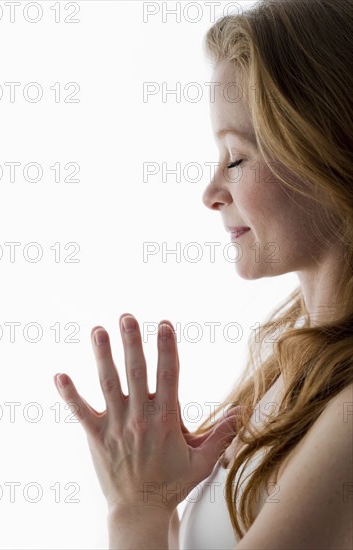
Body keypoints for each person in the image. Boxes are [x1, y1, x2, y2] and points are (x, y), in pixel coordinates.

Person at [54, 0, 353, 548]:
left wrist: (134, 512)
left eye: (235, 158)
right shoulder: (288, 363)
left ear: (326, 151)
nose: (211, 194)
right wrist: (159, 499)